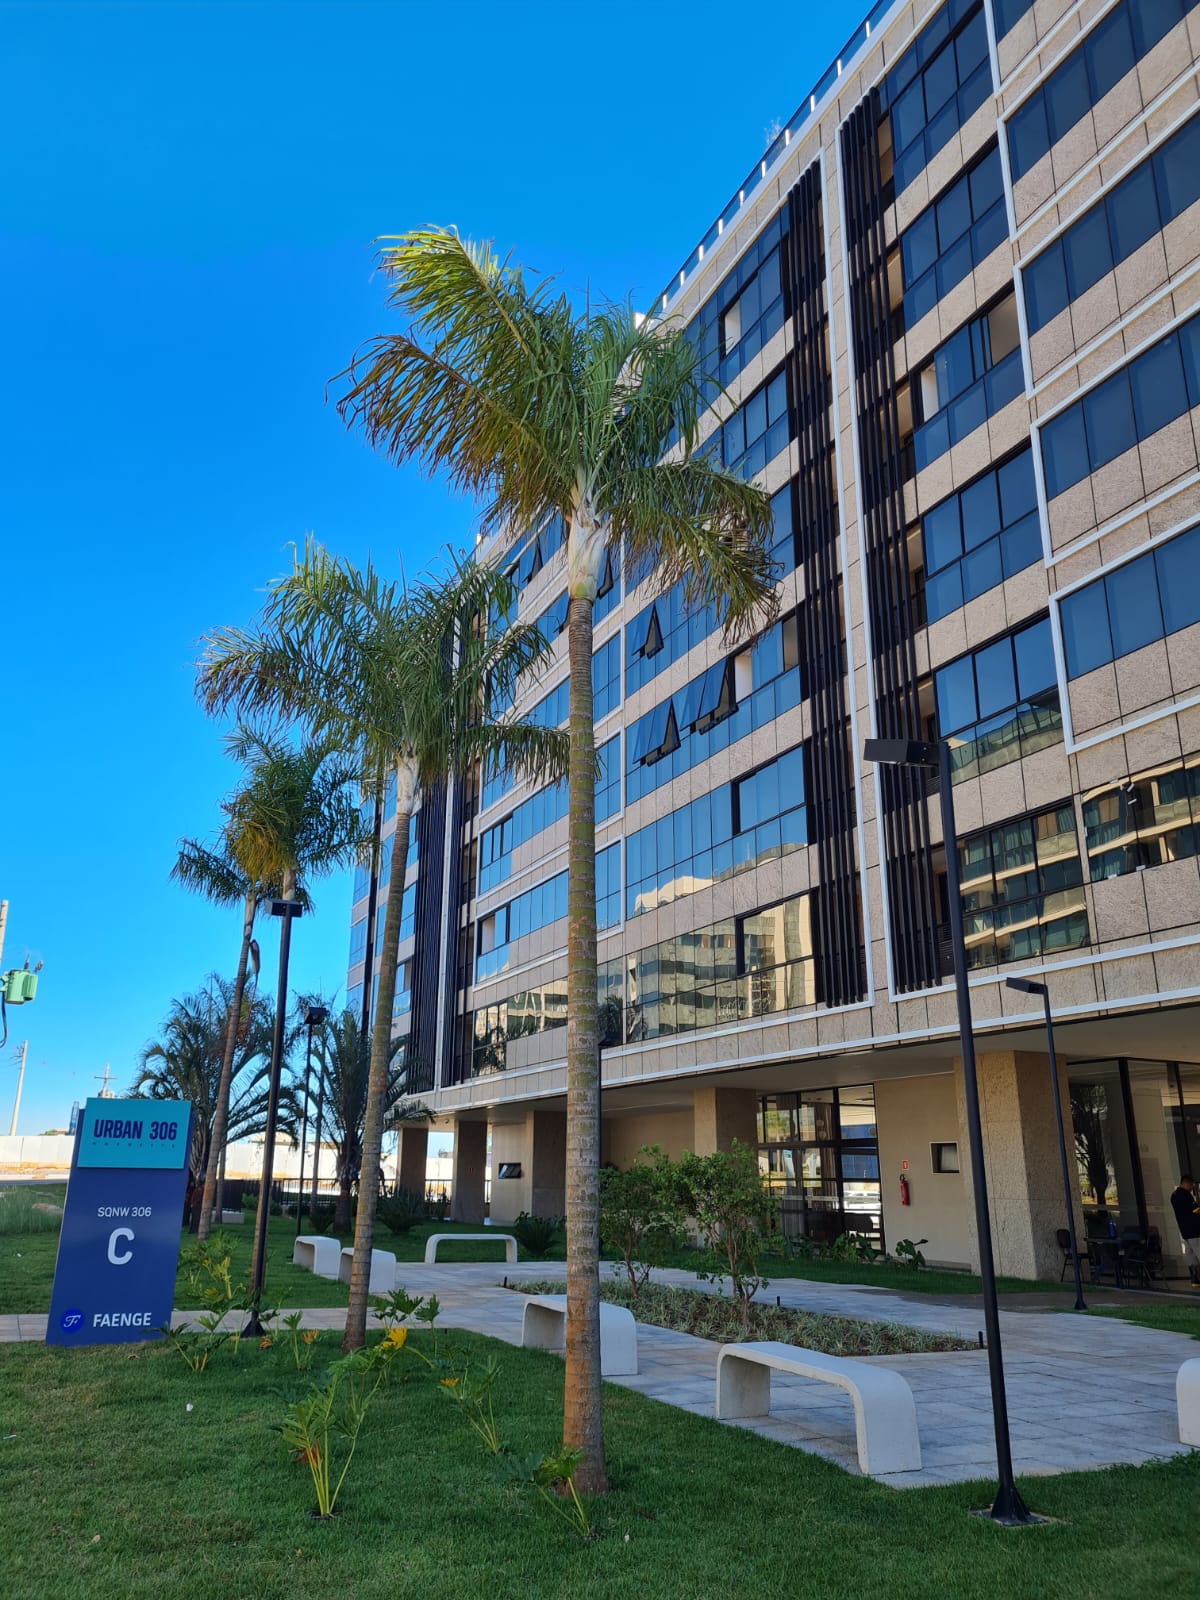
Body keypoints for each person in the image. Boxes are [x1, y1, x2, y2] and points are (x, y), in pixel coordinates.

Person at [1169, 1175, 1200, 1287]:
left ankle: (1194, 1279)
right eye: (1191, 1186)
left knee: (1190, 1255)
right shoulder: (1186, 1195)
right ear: (1186, 1184)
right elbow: (1196, 1211)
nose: (1192, 1188)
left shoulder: (1174, 1196)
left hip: (1184, 1231)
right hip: (1195, 1230)